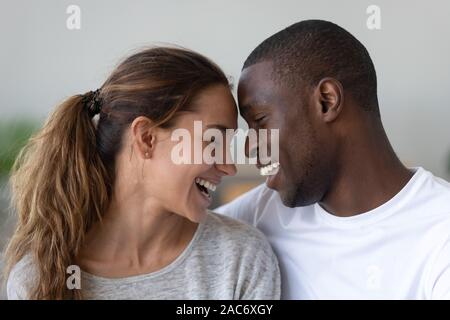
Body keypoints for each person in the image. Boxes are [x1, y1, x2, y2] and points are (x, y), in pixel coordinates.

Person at [4, 46, 280, 300]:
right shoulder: (38, 278)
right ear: (146, 138)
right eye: (213, 141)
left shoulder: (241, 259)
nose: (229, 166)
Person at [216, 20, 450, 299]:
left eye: (260, 121)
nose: (250, 148)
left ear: (326, 101)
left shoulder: (440, 232)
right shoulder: (257, 215)